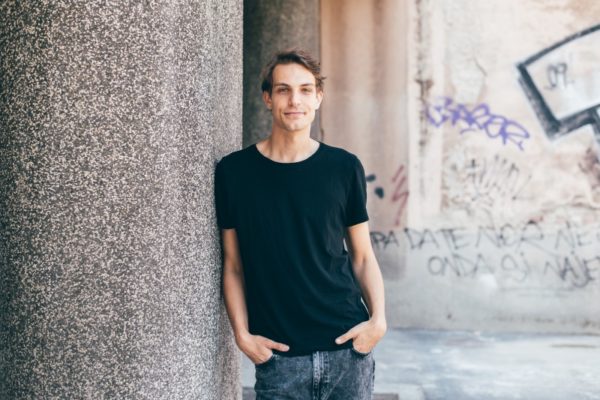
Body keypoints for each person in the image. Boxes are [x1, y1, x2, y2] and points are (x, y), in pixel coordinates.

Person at [215, 48, 386, 399]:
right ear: (267, 98)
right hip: (279, 360)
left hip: (347, 350)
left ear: (318, 97)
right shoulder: (234, 172)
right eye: (283, 90)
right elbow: (233, 264)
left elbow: (362, 256)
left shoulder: (344, 167)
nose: (295, 100)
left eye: (305, 90)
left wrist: (378, 321)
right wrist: (242, 336)